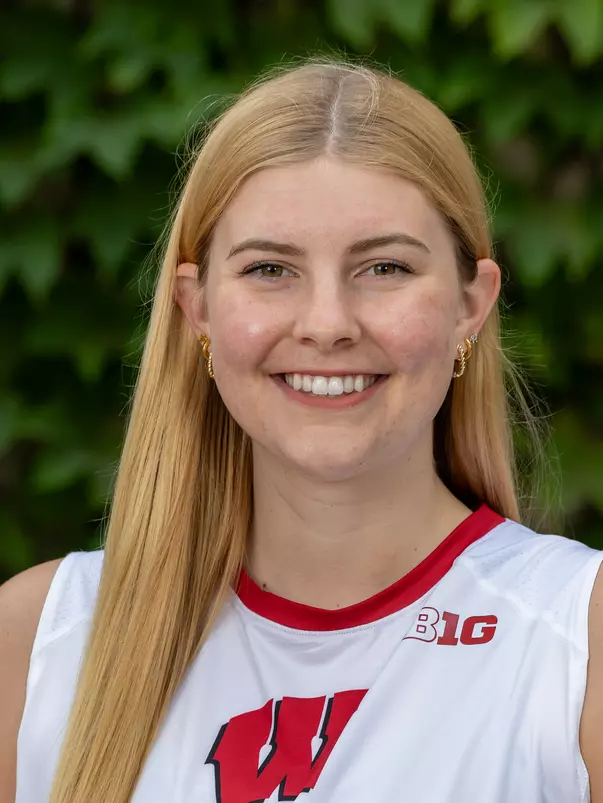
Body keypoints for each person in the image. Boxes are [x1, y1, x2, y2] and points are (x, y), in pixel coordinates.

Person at [1, 58, 602, 803]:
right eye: (269, 270)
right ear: (198, 311)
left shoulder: (577, 640)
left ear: (469, 306)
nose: (326, 325)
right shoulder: (38, 643)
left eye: (383, 267)